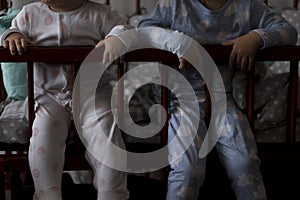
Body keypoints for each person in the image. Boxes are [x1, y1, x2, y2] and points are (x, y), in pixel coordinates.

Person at [102, 0, 298, 199]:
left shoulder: (248, 7)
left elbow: (289, 31)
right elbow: (145, 30)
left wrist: (256, 37)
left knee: (245, 163)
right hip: (184, 98)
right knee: (186, 168)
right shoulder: (174, 5)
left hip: (225, 97)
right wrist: (178, 42)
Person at [0, 0, 129, 199]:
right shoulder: (29, 14)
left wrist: (115, 37)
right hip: (48, 96)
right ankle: (47, 193)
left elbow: (126, 28)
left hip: (92, 93)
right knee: (43, 138)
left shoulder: (99, 14)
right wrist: (13, 36)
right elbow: (11, 31)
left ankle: (111, 191)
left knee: (107, 136)